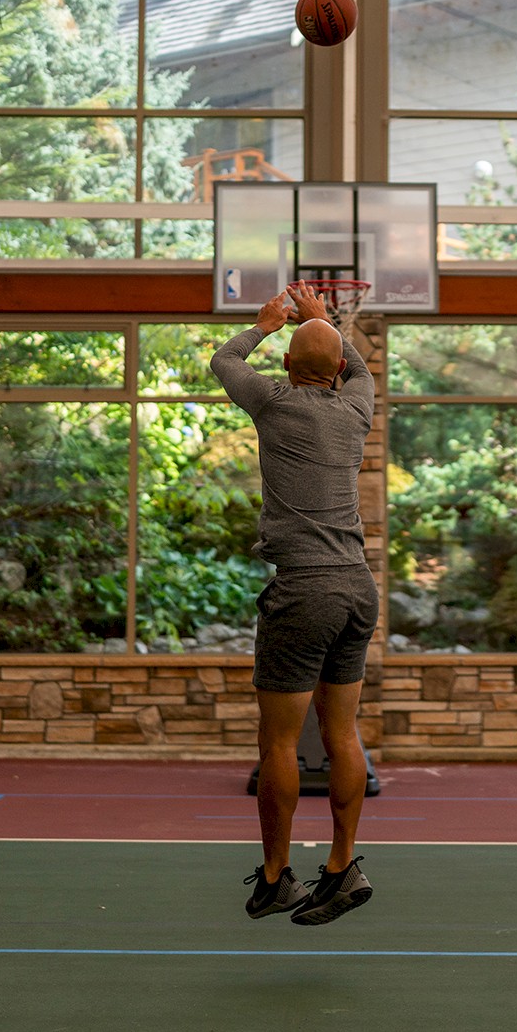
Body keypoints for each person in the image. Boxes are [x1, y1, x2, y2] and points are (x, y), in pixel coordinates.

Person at [210, 282, 379, 926]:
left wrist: (267, 323)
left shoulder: (274, 402)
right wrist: (322, 319)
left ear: (286, 365)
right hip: (356, 587)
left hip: (303, 587)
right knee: (342, 733)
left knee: (279, 741)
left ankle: (278, 877)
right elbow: (355, 366)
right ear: (337, 371)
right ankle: (341, 867)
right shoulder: (357, 405)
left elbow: (225, 360)